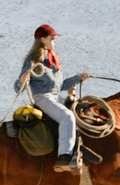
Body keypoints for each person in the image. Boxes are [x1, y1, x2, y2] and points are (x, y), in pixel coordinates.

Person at [14, 24, 91, 171]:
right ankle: (64, 157)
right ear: (42, 39)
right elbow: (19, 86)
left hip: (54, 97)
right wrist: (22, 82)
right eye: (52, 38)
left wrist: (78, 78)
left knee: (80, 111)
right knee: (67, 116)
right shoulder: (33, 60)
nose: (55, 40)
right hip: (42, 98)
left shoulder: (52, 60)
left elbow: (60, 85)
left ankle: (79, 152)